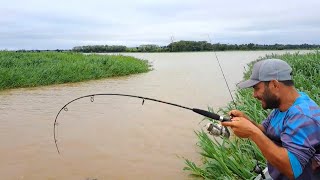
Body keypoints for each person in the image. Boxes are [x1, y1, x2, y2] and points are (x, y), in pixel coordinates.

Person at [221, 59, 320, 180]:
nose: (254, 95)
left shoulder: (303, 116)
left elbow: (292, 169)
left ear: (274, 84)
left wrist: (252, 132)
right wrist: (248, 122)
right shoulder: (283, 106)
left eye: (257, 88)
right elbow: (265, 131)